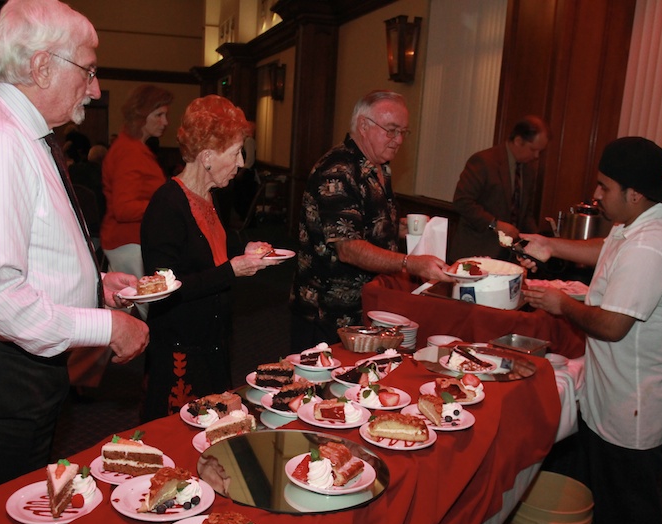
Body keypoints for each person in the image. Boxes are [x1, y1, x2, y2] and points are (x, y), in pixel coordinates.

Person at [0, 0, 149, 500]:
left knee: (23, 501)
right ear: (42, 65)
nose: (95, 87)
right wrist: (107, 326)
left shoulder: (19, 132)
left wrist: (94, 284)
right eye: (88, 70)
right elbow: (1, 299)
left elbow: (33, 249)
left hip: (8, 363)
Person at [521, 137, 662, 524]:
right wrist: (548, 244)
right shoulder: (648, 215)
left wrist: (561, 304)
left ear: (634, 193)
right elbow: (607, 248)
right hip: (612, 390)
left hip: (634, 401)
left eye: (604, 187)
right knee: (604, 502)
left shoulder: (654, 244)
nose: (596, 195)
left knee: (628, 518)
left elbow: (612, 325)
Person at [141, 95, 272, 420]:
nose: (241, 163)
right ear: (207, 157)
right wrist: (232, 270)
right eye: (236, 153)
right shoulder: (166, 206)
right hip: (180, 352)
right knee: (178, 441)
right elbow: (166, 290)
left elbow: (207, 261)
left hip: (213, 343)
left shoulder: (210, 197)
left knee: (214, 433)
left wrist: (241, 255)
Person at [290, 90, 452, 350]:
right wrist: (410, 264)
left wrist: (403, 228)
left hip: (366, 306)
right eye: (391, 130)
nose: (398, 140)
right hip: (328, 312)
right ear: (364, 126)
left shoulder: (378, 166)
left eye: (403, 132)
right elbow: (349, 248)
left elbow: (367, 223)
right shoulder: (338, 171)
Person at [451, 115, 549, 261]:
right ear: (518, 141)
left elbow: (525, 213)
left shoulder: (528, 171)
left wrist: (538, 240)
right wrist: (495, 225)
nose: (536, 156)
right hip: (476, 251)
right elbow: (462, 202)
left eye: (540, 151)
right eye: (533, 149)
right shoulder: (484, 161)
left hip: (508, 256)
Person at [101, 84, 173, 281]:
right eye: (159, 115)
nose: (165, 122)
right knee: (144, 303)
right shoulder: (129, 152)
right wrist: (165, 206)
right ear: (141, 115)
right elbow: (124, 209)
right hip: (129, 242)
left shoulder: (133, 148)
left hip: (131, 241)